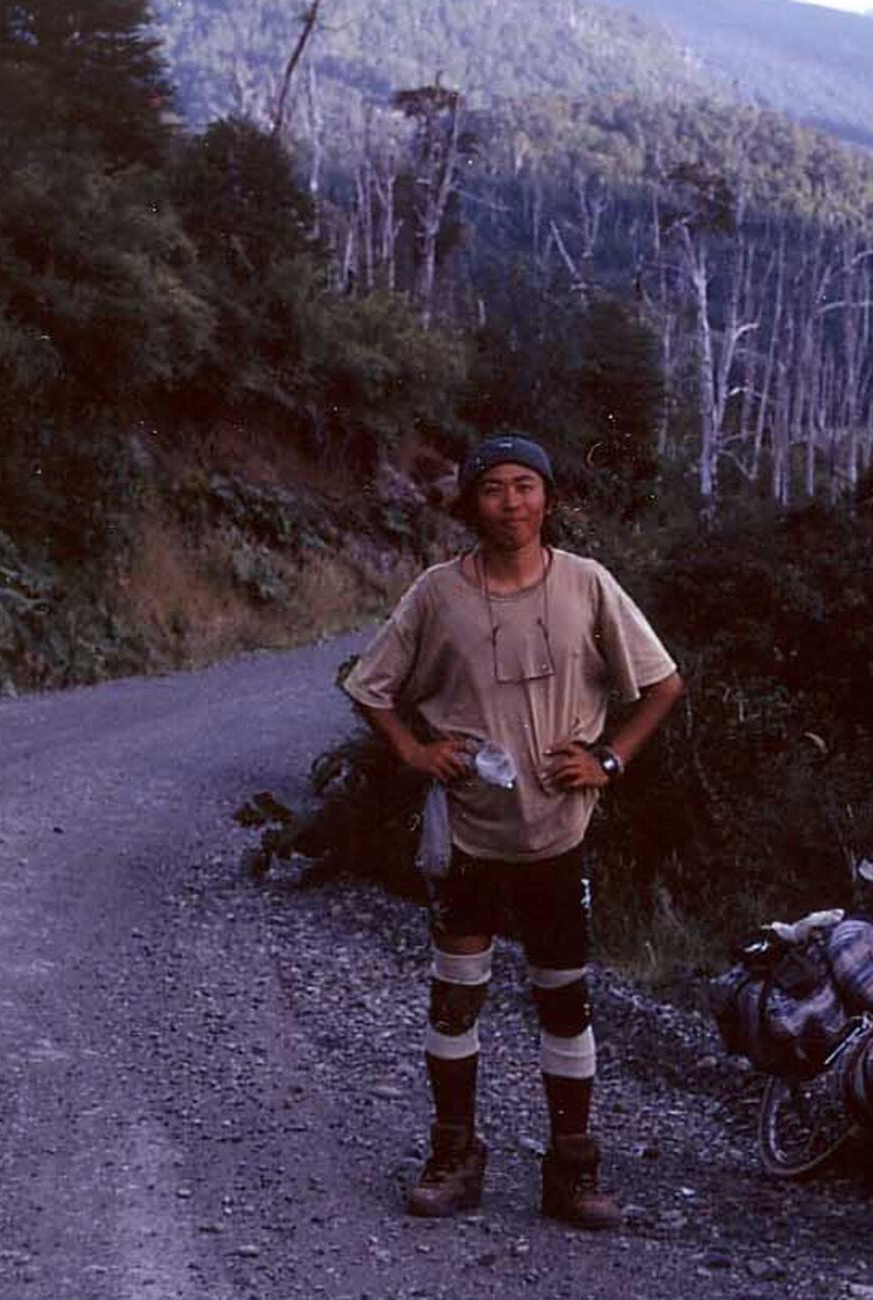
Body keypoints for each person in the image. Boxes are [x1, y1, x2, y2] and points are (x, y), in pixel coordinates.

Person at [341, 433, 684, 1229]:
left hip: (557, 836)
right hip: (470, 835)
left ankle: (572, 1172)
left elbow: (664, 683)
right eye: (493, 488)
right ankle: (454, 1156)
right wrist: (415, 752)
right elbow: (371, 686)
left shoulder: (587, 584)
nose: (511, 503)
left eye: (525, 486)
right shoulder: (437, 594)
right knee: (456, 1000)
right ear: (471, 503)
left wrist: (609, 759)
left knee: (565, 1002)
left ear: (548, 499)